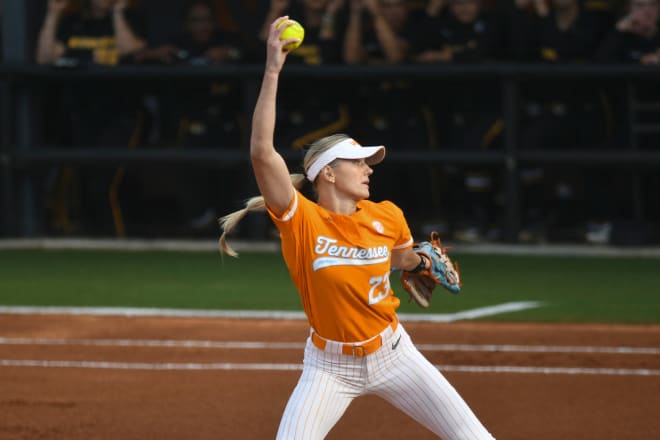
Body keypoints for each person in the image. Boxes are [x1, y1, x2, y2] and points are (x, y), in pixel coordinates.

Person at [218, 16, 495, 439]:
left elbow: (402, 258)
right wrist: (273, 68)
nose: (368, 168)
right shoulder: (302, 220)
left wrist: (421, 259)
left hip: (395, 354)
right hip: (329, 368)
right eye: (358, 161)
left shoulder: (387, 216)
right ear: (327, 174)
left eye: (368, 162)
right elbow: (261, 152)